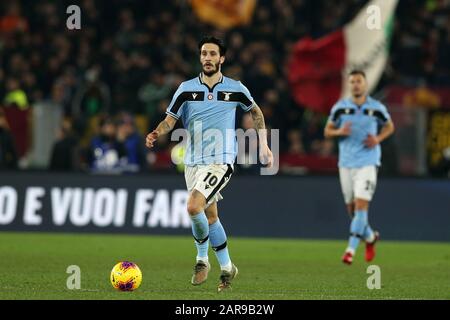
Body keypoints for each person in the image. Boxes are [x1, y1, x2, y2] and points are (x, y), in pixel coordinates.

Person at [145, 36, 273, 292]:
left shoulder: (236, 88)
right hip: (193, 162)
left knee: (194, 206)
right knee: (211, 216)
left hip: (221, 160)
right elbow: (170, 120)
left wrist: (264, 144)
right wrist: (158, 132)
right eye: (204, 53)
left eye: (213, 54)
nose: (207, 58)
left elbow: (255, 112)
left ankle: (202, 260)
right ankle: (227, 267)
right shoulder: (185, 88)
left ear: (221, 59)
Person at [324, 70, 395, 265]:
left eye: (359, 81)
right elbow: (327, 131)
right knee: (352, 210)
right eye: (353, 81)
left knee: (362, 206)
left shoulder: (376, 107)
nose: (356, 84)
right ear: (350, 85)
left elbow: (389, 126)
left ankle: (350, 250)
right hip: (346, 163)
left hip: (368, 162)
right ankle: (370, 237)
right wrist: (340, 131)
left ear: (365, 84)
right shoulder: (340, 108)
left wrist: (378, 139)